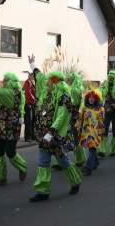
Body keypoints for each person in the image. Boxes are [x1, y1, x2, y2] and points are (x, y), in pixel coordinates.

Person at [28, 55, 82, 202]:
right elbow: (39, 77)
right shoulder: (47, 93)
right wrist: (33, 65)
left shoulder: (64, 96)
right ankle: (43, 191)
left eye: (49, 82)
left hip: (55, 136)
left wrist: (51, 133)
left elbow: (62, 117)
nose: (46, 84)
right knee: (43, 162)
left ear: (55, 82)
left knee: (63, 161)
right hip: (43, 135)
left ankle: (75, 181)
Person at [76, 89, 105, 176]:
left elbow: (101, 122)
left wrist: (101, 132)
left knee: (92, 149)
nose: (91, 99)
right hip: (86, 132)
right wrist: (78, 128)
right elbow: (80, 119)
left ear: (96, 99)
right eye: (89, 97)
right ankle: (95, 162)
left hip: (95, 133)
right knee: (91, 149)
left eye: (93, 97)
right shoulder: (84, 108)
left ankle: (88, 168)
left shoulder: (100, 109)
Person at [23, 71, 36, 141]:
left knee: (32, 120)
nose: (33, 78)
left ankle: (32, 136)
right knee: (28, 121)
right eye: (32, 76)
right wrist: (34, 100)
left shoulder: (32, 83)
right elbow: (28, 94)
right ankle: (28, 137)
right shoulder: (27, 83)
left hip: (32, 104)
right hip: (28, 104)